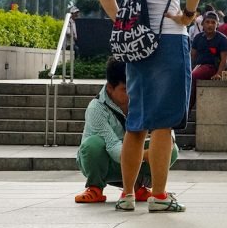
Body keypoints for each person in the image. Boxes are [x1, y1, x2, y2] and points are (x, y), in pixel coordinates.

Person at [96, 0, 202, 213]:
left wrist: (123, 22)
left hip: (137, 45)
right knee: (164, 124)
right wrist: (188, 14)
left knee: (136, 122)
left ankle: (127, 194)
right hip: (169, 40)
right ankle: (158, 195)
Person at [74, 59, 178, 204]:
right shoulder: (96, 108)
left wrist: (160, 148)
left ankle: (138, 186)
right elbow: (113, 147)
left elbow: (164, 129)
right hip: (106, 162)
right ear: (110, 88)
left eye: (132, 87)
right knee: (93, 145)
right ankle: (95, 187)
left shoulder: (141, 100)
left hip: (132, 157)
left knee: (170, 149)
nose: (131, 93)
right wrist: (145, 155)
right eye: (125, 89)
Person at [190, 11, 227, 111]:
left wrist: (218, 74)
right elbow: (192, 56)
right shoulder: (198, 37)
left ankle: (187, 109)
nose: (210, 25)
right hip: (198, 67)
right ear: (203, 24)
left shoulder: (222, 39)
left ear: (217, 24)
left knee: (193, 76)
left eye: (213, 22)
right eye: (207, 22)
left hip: (212, 67)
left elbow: (224, 60)